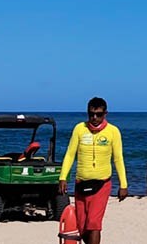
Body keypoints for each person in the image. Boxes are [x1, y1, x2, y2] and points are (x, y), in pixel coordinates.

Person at [59, 97, 128, 244]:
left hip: (102, 184)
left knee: (94, 224)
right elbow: (70, 154)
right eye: (91, 114)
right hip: (81, 183)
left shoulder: (113, 131)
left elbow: (118, 159)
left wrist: (123, 185)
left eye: (98, 114)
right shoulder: (79, 129)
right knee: (83, 226)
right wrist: (63, 177)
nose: (94, 118)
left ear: (105, 114)